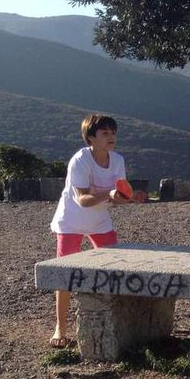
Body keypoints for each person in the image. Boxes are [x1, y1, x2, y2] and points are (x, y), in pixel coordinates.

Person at [49, 113, 145, 347]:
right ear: (90, 138)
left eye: (113, 133)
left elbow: (118, 196)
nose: (111, 137)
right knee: (65, 274)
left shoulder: (118, 160)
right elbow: (82, 199)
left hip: (100, 220)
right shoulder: (79, 160)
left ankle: (119, 320)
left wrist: (131, 198)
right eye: (105, 133)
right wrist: (110, 194)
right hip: (71, 220)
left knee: (114, 267)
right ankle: (60, 327)